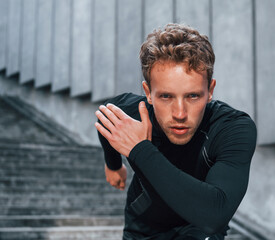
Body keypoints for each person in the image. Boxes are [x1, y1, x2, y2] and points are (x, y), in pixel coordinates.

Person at [95, 23, 257, 240]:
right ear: (148, 93)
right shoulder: (131, 112)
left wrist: (140, 150)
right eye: (166, 96)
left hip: (199, 224)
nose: (179, 113)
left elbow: (214, 215)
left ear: (210, 91)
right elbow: (106, 118)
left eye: (192, 96)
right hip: (144, 225)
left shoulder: (232, 128)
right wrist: (113, 165)